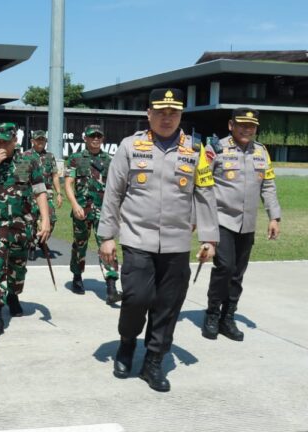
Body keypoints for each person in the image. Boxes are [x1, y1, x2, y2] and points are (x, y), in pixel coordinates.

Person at [98, 88, 219, 392]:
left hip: (177, 244)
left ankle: (153, 362)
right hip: (138, 239)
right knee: (136, 298)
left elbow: (204, 193)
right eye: (161, 112)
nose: (167, 118)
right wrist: (106, 236)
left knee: (168, 306)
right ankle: (127, 343)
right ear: (148, 113)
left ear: (181, 115)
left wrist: (209, 238)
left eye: (173, 113)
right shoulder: (130, 146)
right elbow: (113, 193)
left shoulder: (195, 150)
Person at [203, 108, 281, 341]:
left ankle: (228, 317)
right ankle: (212, 313)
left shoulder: (261, 152)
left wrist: (274, 217)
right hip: (222, 220)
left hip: (247, 223)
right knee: (224, 267)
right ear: (231, 125)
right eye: (242, 124)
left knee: (237, 273)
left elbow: (268, 185)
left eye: (252, 126)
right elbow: (203, 185)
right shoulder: (215, 149)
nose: (247, 129)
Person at [0, 123, 51, 339]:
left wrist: (44, 220)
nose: (1, 145)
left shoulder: (29, 161)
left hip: (22, 225)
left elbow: (40, 192)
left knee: (17, 269)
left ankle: (13, 295)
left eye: (5, 141)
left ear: (14, 141)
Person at [64, 124, 121, 304]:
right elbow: (68, 183)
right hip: (82, 210)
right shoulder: (75, 158)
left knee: (107, 245)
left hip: (103, 211)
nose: (95, 139)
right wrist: (74, 205)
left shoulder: (110, 160)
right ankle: (77, 276)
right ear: (85, 138)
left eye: (98, 136)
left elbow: (115, 186)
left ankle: (111, 285)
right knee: (79, 244)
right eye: (92, 136)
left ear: (102, 139)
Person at [24, 130, 62, 259]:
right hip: (30, 193)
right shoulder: (25, 155)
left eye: (42, 140)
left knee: (51, 219)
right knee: (31, 220)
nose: (40, 142)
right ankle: (32, 245)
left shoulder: (50, 156)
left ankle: (40, 240)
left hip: (47, 193)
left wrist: (59, 193)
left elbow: (55, 175)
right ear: (32, 141)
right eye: (38, 139)